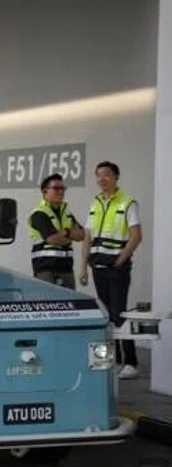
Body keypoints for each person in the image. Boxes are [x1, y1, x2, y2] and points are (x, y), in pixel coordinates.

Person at [79, 161, 143, 380]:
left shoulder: (127, 203)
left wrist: (121, 259)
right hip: (97, 266)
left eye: (106, 175)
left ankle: (131, 362)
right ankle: (112, 360)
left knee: (119, 313)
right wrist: (83, 267)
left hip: (116, 268)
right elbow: (87, 237)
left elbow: (136, 236)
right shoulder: (95, 203)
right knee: (106, 314)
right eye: (98, 175)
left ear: (116, 177)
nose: (101, 179)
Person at [28, 173, 84, 288]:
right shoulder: (39, 213)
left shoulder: (67, 213)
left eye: (63, 188)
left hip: (67, 269)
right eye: (56, 188)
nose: (61, 192)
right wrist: (71, 235)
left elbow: (82, 235)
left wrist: (66, 232)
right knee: (49, 303)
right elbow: (53, 238)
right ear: (45, 192)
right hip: (46, 270)